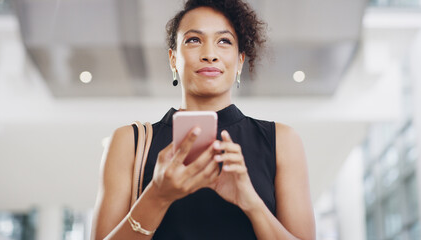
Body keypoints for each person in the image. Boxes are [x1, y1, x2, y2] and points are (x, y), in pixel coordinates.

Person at [91, 0, 316, 239]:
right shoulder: (130, 143)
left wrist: (251, 202)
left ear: (239, 61)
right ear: (173, 59)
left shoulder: (281, 141)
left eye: (224, 41)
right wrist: (157, 195)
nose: (210, 54)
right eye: (194, 40)